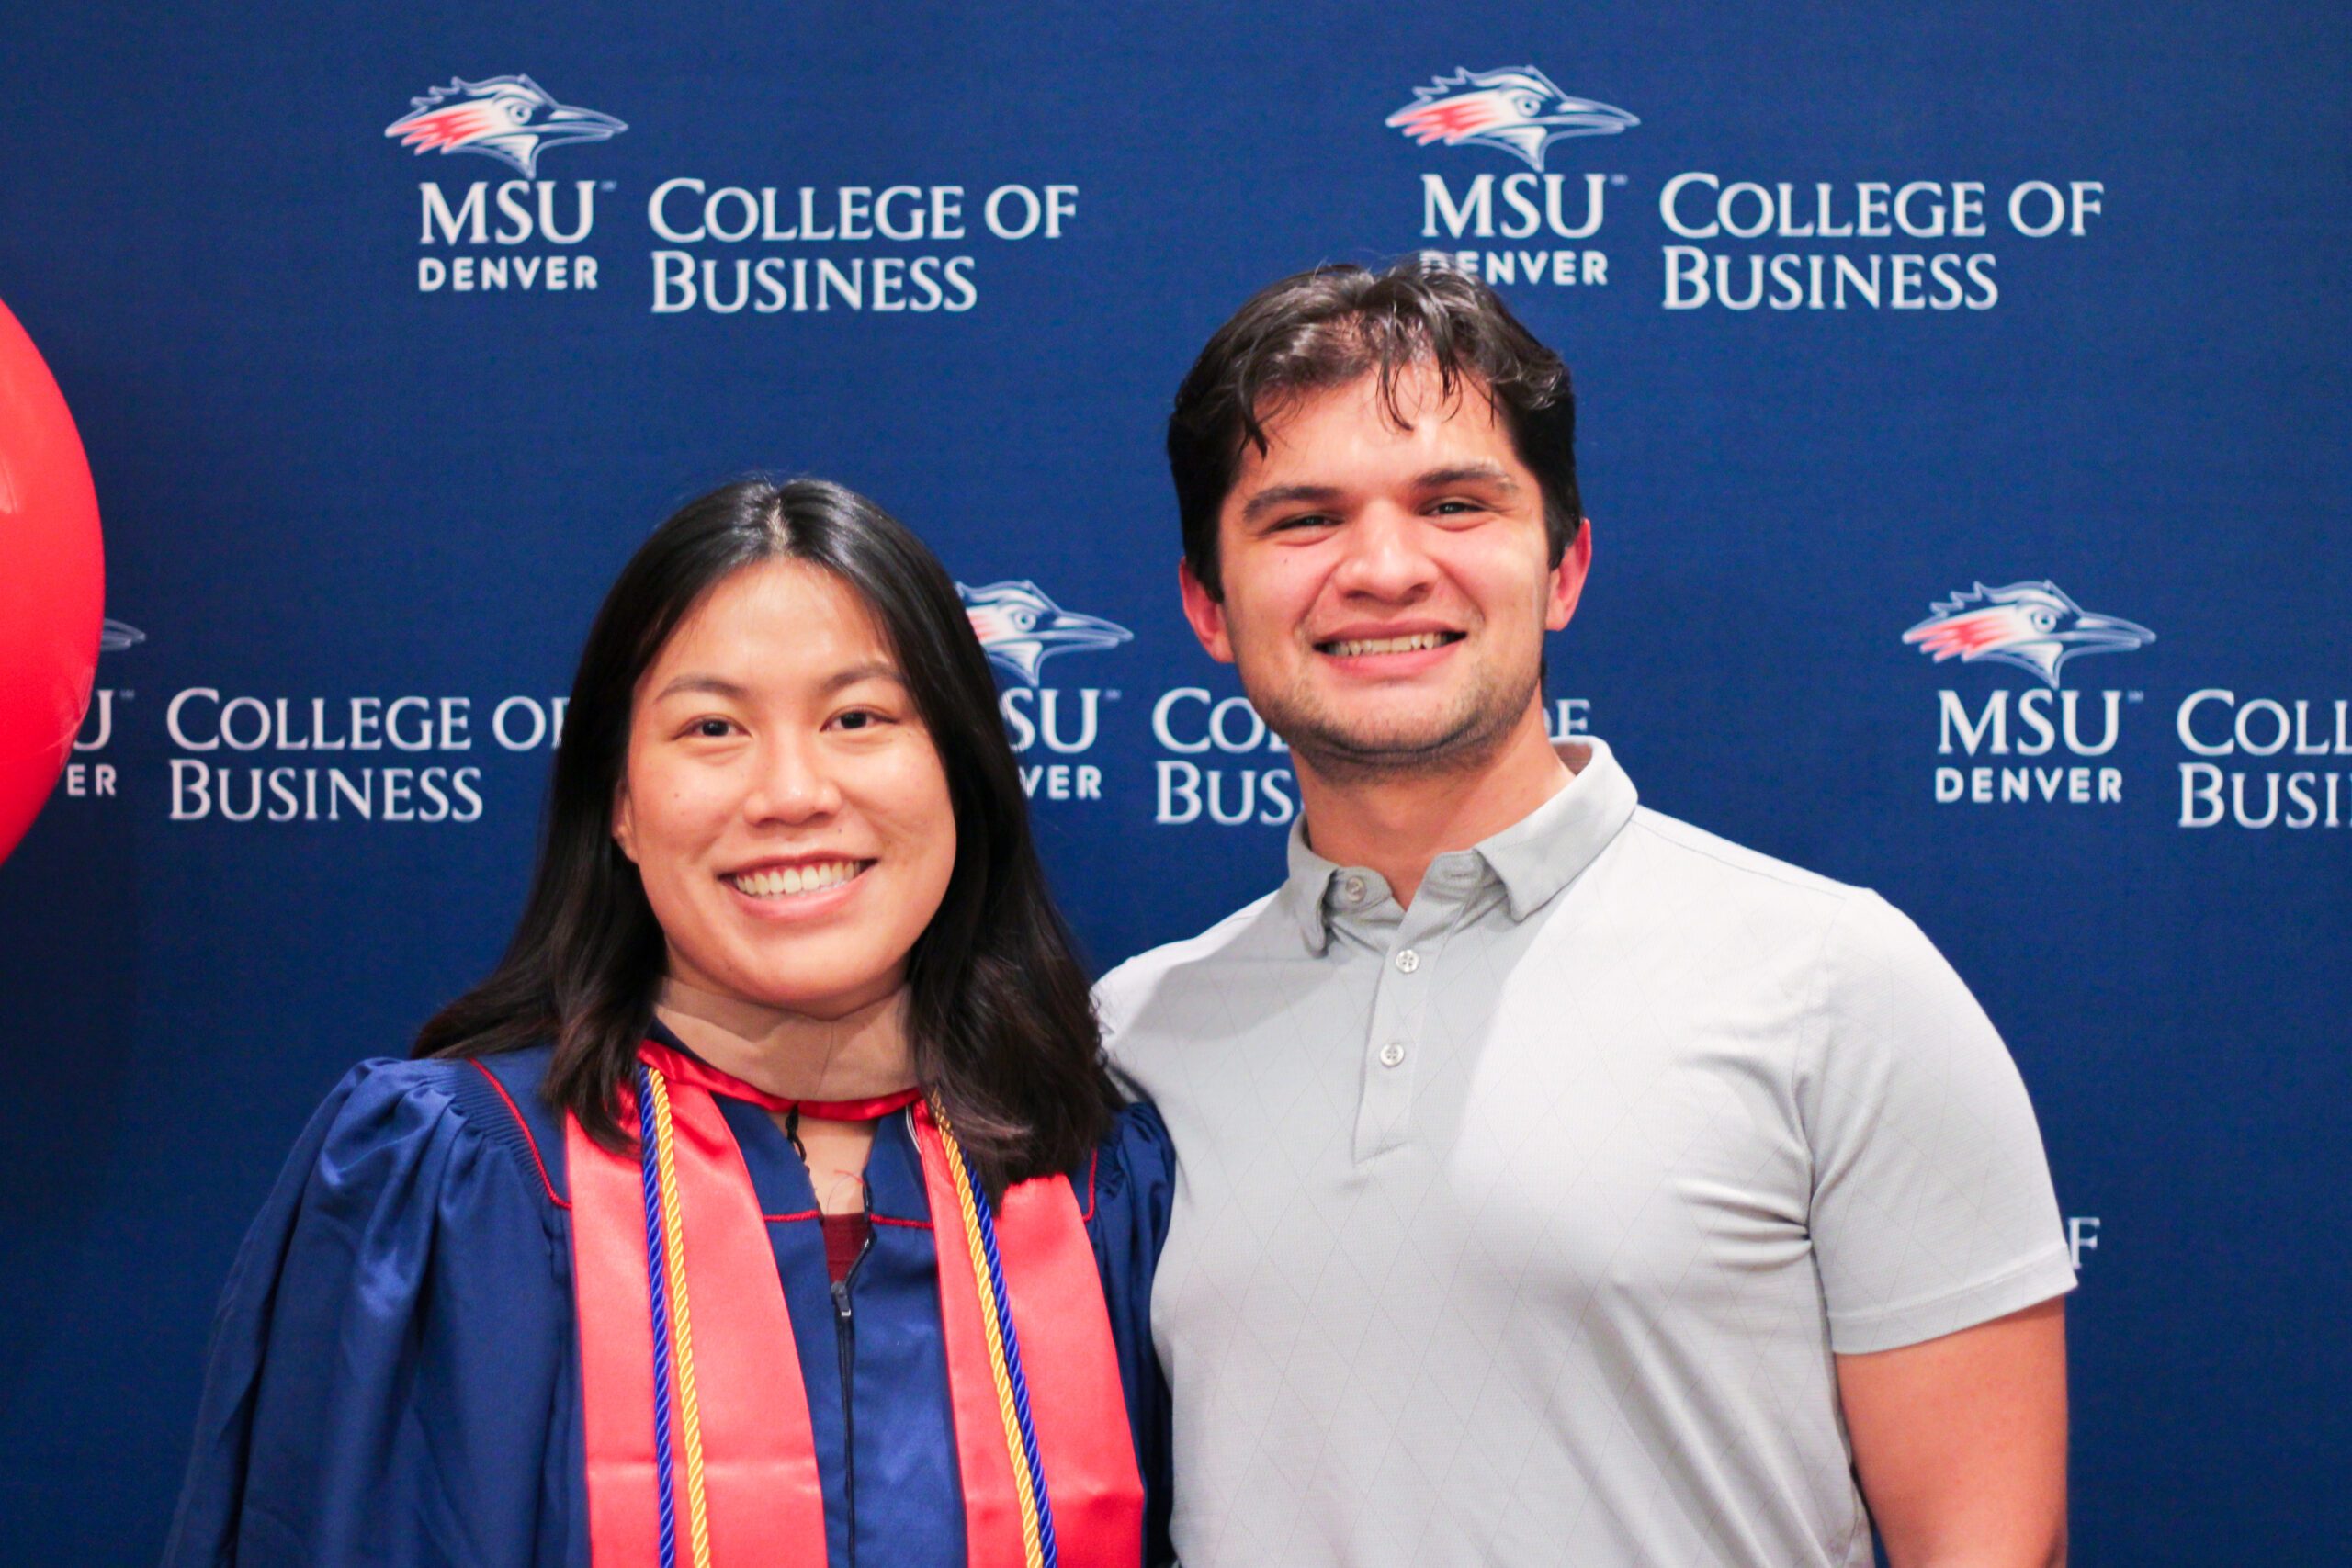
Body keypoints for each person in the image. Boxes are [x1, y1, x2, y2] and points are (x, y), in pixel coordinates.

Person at [1098, 263, 2075, 1568]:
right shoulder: (1130, 1039)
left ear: (1563, 565)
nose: (1384, 566)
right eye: (1303, 519)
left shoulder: (1836, 982)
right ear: (1206, 606)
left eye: (1454, 502)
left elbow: (1990, 1542)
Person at [167, 478, 1173, 1567]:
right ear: (619, 804)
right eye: (712, 727)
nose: (791, 791)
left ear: (963, 775)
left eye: (859, 718)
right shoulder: (457, 1189)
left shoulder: (1103, 1195)